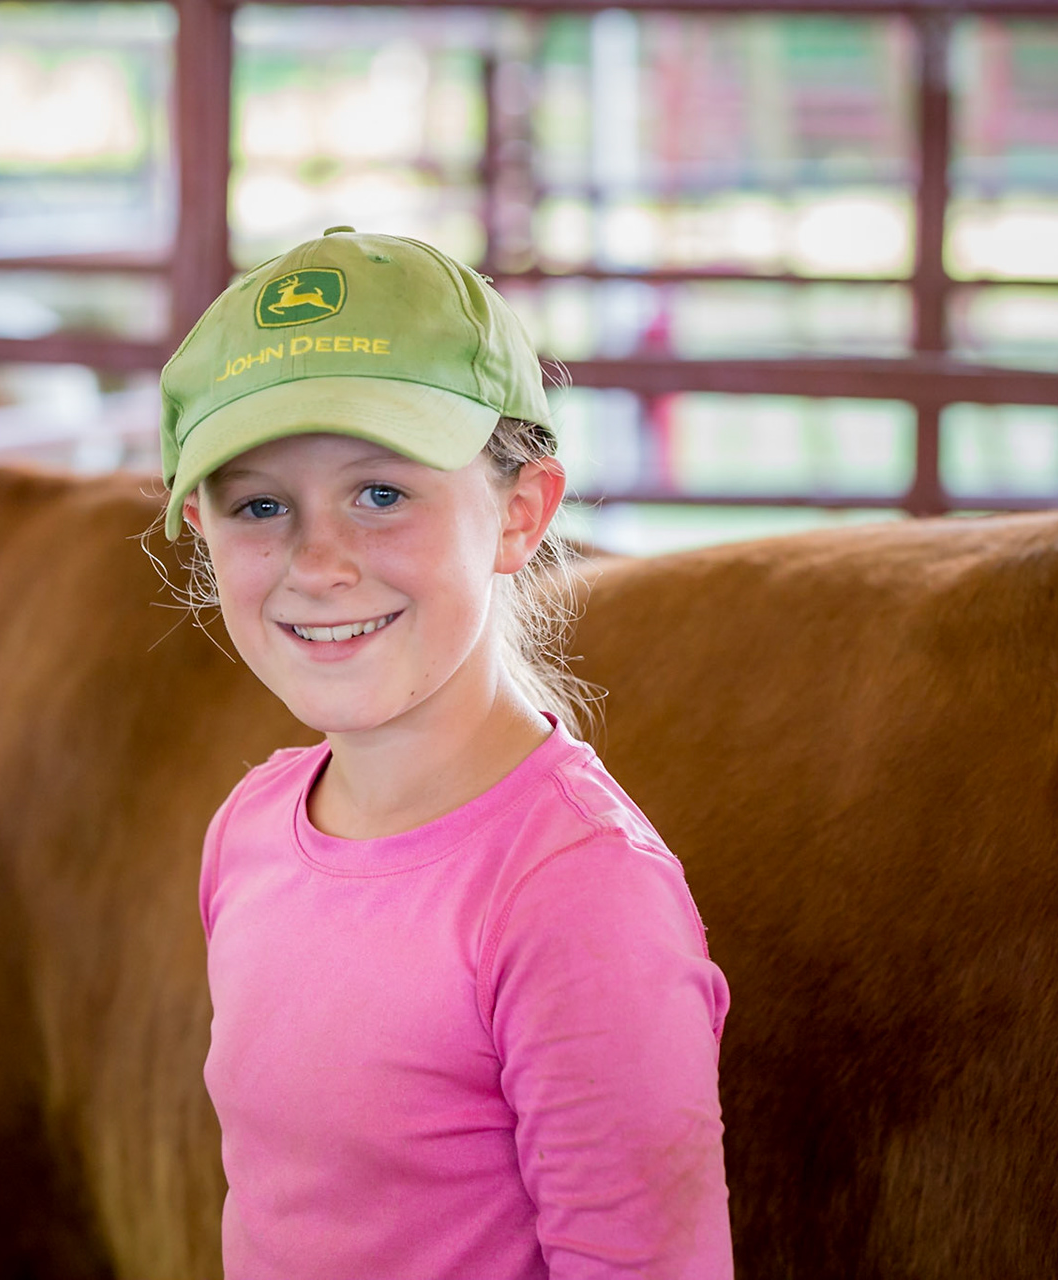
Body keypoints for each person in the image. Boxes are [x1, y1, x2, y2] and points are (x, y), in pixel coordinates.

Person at [159, 226, 733, 1279]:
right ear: (202, 524)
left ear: (520, 512)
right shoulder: (251, 827)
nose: (318, 564)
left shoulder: (578, 894)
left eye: (381, 494)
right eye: (261, 505)